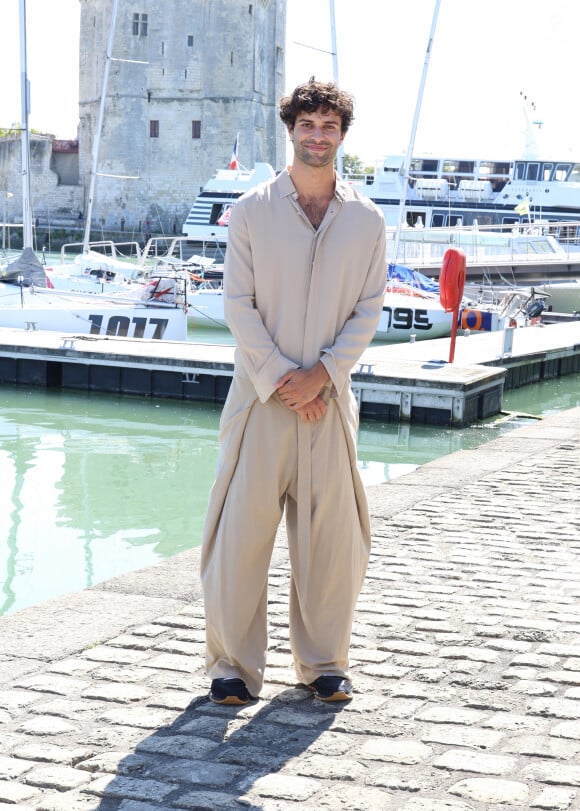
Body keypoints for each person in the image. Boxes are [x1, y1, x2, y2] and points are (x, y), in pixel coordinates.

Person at [200, 78, 387, 705]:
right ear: (291, 130)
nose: (317, 135)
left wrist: (323, 375)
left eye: (329, 126)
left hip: (329, 404)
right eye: (308, 124)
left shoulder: (366, 220)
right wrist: (283, 378)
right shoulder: (252, 210)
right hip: (259, 402)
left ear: (341, 135)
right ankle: (231, 667)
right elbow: (237, 305)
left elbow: (368, 310)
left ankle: (325, 664)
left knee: (333, 541)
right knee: (239, 538)